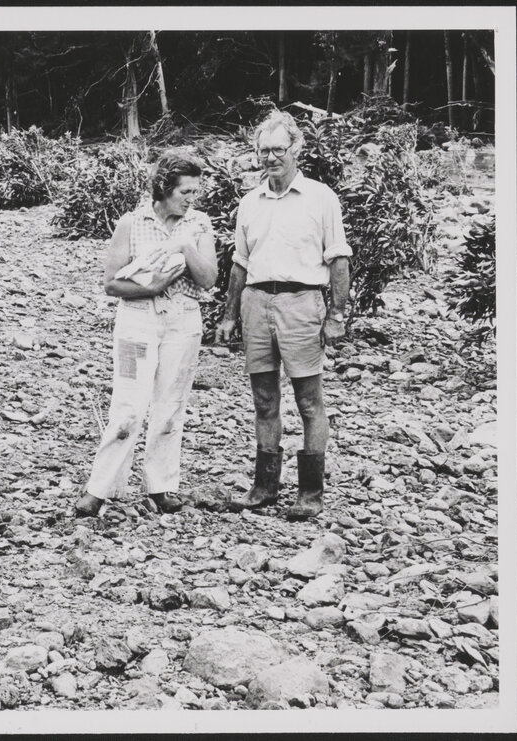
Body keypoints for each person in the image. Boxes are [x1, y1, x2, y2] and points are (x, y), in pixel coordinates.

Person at [215, 110, 351, 519]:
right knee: (263, 399)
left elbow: (339, 260)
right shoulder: (249, 202)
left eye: (279, 149)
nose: (271, 157)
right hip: (257, 302)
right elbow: (240, 263)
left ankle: (311, 492)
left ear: (297, 148)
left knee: (309, 400)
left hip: (302, 302)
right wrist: (228, 315)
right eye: (264, 150)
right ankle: (264, 487)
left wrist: (337, 315)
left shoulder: (320, 197)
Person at [75, 151, 218, 517]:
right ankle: (100, 487)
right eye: (185, 191)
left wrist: (185, 246)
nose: (191, 199)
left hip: (183, 320)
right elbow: (111, 283)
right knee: (128, 406)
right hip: (137, 319)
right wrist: (150, 287)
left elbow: (208, 280)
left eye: (195, 191)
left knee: (171, 405)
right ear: (164, 188)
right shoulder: (131, 222)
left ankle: (162, 485)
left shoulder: (199, 225)